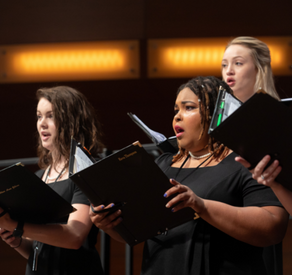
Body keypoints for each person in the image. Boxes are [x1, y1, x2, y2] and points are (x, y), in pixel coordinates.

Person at [90, 76, 289, 275]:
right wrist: (109, 224)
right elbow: (137, 231)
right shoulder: (162, 165)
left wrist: (200, 205)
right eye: (176, 110)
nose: (177, 116)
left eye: (189, 108)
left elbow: (272, 227)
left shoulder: (245, 162)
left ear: (215, 113)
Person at [0, 86, 105, 275]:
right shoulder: (39, 177)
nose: (42, 124)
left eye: (51, 116)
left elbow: (74, 237)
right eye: (39, 116)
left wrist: (16, 226)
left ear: (71, 121)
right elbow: (37, 249)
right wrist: (17, 240)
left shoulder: (86, 170)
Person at [221, 36, 287, 275]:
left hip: (264, 215)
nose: (229, 71)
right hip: (227, 223)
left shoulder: (277, 119)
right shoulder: (218, 123)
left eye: (238, 63)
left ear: (260, 68)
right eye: (224, 64)